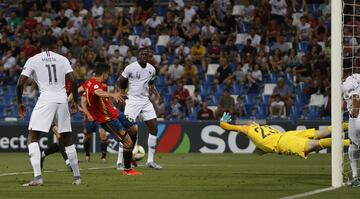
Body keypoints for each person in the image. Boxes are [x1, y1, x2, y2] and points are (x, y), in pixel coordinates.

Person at [16, 35, 81, 186]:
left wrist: (20, 103)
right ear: (54, 45)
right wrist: (75, 102)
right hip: (62, 99)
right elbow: (73, 80)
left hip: (46, 99)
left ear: (40, 45)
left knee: (32, 136)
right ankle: (77, 177)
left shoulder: (33, 59)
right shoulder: (62, 59)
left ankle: (38, 177)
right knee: (67, 137)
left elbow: (20, 84)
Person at [82, 63, 141, 175]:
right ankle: (128, 169)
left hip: (115, 112)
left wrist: (69, 99)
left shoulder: (88, 83)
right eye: (108, 74)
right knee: (127, 142)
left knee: (133, 129)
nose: (108, 76)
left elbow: (80, 91)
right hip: (107, 119)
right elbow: (98, 92)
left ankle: (130, 154)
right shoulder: (95, 85)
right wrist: (112, 95)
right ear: (104, 74)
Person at [219, 112, 350, 159]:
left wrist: (222, 123)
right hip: (287, 135)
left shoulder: (248, 129)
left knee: (316, 145)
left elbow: (227, 127)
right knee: (321, 135)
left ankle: (351, 143)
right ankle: (349, 125)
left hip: (283, 141)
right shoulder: (263, 127)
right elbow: (261, 149)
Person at [116, 47, 162, 169]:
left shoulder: (152, 69)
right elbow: (119, 81)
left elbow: (151, 84)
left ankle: (150, 161)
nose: (145, 56)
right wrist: (121, 92)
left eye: (147, 55)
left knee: (154, 129)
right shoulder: (130, 67)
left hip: (145, 102)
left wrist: (157, 94)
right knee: (126, 131)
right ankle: (119, 161)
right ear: (137, 56)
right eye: (142, 54)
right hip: (132, 101)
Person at [342, 73, 360, 187]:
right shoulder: (358, 76)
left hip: (357, 116)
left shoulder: (347, 82)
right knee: (353, 145)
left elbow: (355, 98)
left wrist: (355, 114)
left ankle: (355, 177)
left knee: (353, 144)